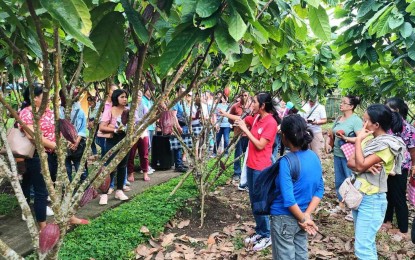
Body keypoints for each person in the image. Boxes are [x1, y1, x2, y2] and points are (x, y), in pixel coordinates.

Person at [20, 85, 88, 229]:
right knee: (41, 191)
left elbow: (58, 130)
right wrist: (55, 146)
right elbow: (33, 136)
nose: (48, 98)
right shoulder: (26, 113)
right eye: (43, 96)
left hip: (54, 155)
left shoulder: (49, 111)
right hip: (38, 156)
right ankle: (43, 228)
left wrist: (67, 140)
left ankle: (70, 217)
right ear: (34, 98)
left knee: (62, 185)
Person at [220, 92, 278, 251]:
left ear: (263, 105)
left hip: (261, 167)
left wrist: (246, 129)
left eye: (254, 102)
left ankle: (267, 235)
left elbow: (260, 145)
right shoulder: (257, 118)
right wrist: (225, 114)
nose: (251, 104)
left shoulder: (270, 123)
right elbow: (240, 120)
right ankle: (261, 231)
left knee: (260, 201)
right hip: (251, 166)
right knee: (254, 200)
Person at [347, 104, 406, 260]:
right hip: (359, 195)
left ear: (376, 125)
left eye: (365, 120)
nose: (362, 124)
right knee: (366, 242)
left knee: (363, 248)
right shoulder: (370, 139)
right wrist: (365, 167)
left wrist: (358, 141)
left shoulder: (386, 145)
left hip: (372, 199)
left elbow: (358, 164)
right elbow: (351, 163)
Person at [270, 114, 324, 259]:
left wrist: (303, 219)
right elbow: (320, 189)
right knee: (301, 254)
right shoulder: (313, 156)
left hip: (284, 218)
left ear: (285, 137)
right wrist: (306, 215)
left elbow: (288, 199)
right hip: (304, 213)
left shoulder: (286, 162)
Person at [381, 97, 415, 239]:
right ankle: (387, 221)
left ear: (397, 111)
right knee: (387, 193)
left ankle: (403, 229)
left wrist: (414, 166)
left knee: (399, 196)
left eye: (389, 109)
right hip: (385, 165)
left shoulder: (408, 128)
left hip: (401, 166)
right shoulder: (386, 126)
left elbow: (412, 150)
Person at [325, 95, 362, 221]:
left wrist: (346, 139)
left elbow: (361, 138)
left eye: (344, 103)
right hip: (338, 153)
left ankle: (353, 208)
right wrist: (327, 143)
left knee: (351, 180)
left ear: (351, 106)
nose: (341, 104)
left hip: (349, 155)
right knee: (339, 180)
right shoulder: (339, 118)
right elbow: (331, 133)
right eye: (341, 102)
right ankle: (341, 204)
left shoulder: (356, 121)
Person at [98, 89, 130, 205]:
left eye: (126, 97)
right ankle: (104, 193)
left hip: (125, 140)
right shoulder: (109, 111)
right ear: (116, 98)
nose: (125, 99)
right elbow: (102, 127)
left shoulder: (128, 111)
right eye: (122, 97)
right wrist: (116, 129)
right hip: (112, 140)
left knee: (122, 166)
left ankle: (119, 190)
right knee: (110, 166)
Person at [59, 88, 88, 182]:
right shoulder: (59, 112)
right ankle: (69, 191)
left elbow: (83, 128)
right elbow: (58, 129)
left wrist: (76, 141)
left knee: (81, 168)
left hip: (78, 144)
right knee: (66, 171)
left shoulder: (79, 111)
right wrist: (68, 141)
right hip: (64, 144)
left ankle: (86, 190)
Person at [228, 90, 251, 185]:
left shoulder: (251, 106)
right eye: (242, 95)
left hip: (249, 135)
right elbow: (230, 119)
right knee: (238, 153)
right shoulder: (235, 106)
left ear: (249, 96)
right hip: (238, 135)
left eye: (246, 95)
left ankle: (246, 173)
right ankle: (237, 172)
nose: (244, 97)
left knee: (248, 155)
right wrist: (236, 126)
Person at [127, 90, 150, 182]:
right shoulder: (128, 107)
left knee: (144, 154)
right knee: (131, 154)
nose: (137, 98)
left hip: (143, 132)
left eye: (139, 96)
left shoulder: (144, 107)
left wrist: (137, 120)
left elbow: (147, 119)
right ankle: (130, 173)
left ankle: (145, 172)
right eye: (136, 96)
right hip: (132, 133)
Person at [142, 82, 156, 174]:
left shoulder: (151, 101)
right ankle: (145, 167)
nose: (152, 92)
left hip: (152, 127)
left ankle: (147, 166)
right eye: (150, 90)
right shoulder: (143, 100)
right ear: (145, 90)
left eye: (153, 91)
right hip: (146, 127)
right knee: (145, 148)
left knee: (149, 147)